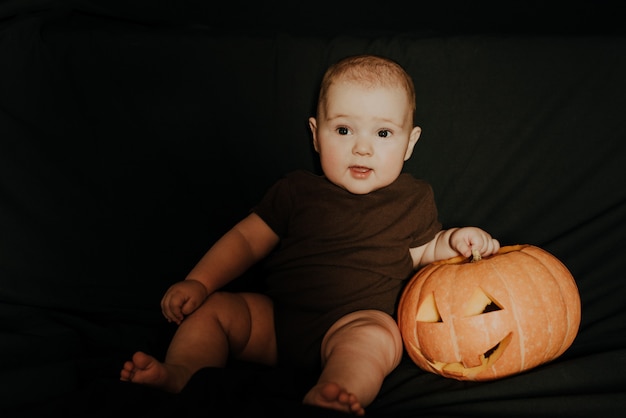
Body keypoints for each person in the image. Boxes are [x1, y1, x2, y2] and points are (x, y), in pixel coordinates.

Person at [120, 54, 500, 416]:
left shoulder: (412, 198)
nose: (362, 148)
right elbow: (246, 241)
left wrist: (453, 241)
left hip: (354, 319)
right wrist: (199, 282)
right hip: (276, 323)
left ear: (410, 143)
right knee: (215, 311)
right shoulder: (296, 191)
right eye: (344, 129)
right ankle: (183, 373)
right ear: (316, 135)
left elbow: (424, 252)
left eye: (383, 133)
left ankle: (336, 389)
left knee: (377, 338)